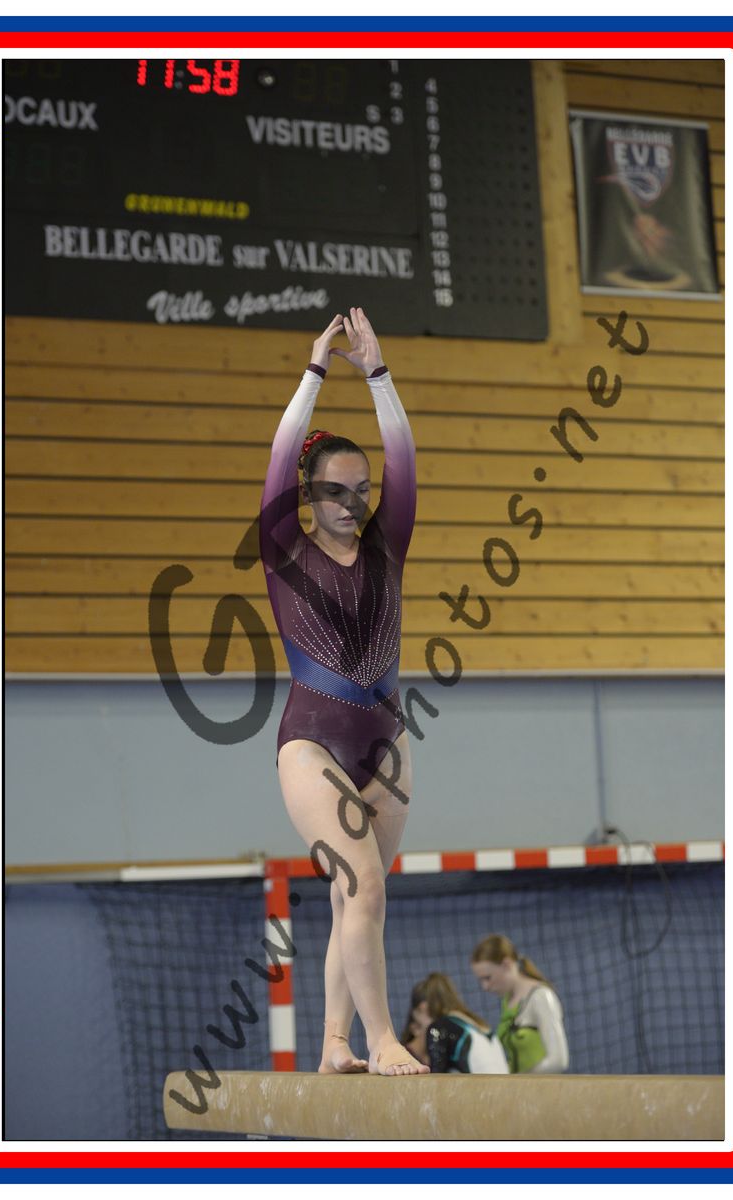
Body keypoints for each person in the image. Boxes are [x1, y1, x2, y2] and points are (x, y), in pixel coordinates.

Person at [260, 307, 425, 1077]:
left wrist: (379, 374)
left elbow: (405, 458)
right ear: (307, 493)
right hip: (311, 745)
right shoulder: (283, 547)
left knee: (359, 897)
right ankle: (383, 1040)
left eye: (362, 489)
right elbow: (279, 454)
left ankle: (334, 1044)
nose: (351, 501)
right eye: (334, 489)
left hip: (387, 744)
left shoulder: (389, 544)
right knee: (361, 885)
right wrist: (317, 371)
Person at [470, 934, 569, 1073]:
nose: (485, 987)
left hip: (542, 1085)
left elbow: (558, 1061)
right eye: (481, 980)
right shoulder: (507, 1001)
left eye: (488, 978)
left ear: (506, 965)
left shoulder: (541, 997)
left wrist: (521, 1082)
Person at [409, 973, 509, 1074]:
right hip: (505, 1082)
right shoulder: (477, 1022)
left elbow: (437, 1076)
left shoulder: (437, 1029)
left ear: (422, 1008)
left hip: (482, 1083)